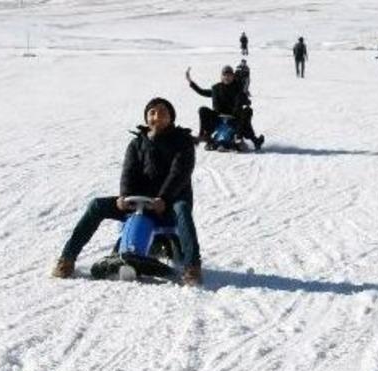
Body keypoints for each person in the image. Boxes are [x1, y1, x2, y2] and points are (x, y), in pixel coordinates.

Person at [51, 98, 203, 285]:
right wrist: (124, 196)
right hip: (138, 202)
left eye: (163, 112)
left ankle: (192, 266)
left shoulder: (183, 142)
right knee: (97, 205)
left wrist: (163, 198)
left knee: (182, 209)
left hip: (168, 204)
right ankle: (67, 258)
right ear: (146, 118)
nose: (157, 116)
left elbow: (179, 173)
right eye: (152, 112)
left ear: (171, 117)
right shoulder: (136, 144)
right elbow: (129, 172)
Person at [187, 65, 242, 149]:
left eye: (229, 75)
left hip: (233, 119)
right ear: (221, 76)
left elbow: (243, 98)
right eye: (225, 75)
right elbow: (201, 91)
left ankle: (238, 138)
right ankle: (205, 135)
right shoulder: (216, 89)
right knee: (202, 110)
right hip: (217, 118)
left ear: (233, 76)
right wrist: (190, 82)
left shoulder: (238, 88)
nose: (227, 77)